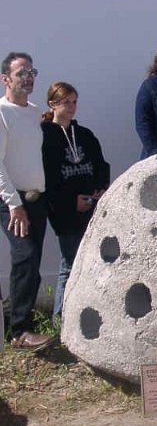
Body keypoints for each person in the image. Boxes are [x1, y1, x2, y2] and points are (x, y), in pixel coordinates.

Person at [42, 82, 110, 319]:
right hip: (65, 210)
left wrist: (101, 189)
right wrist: (71, 202)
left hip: (90, 207)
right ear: (52, 104)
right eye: (65, 102)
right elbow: (48, 178)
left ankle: (84, 313)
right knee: (70, 263)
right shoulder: (45, 136)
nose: (71, 107)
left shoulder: (84, 135)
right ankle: (61, 318)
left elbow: (101, 165)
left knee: (90, 261)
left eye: (74, 102)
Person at [0, 52, 53, 350]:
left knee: (31, 262)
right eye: (22, 72)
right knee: (23, 257)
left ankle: (20, 323)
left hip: (36, 199)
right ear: (6, 79)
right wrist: (13, 204)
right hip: (11, 201)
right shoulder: (2, 112)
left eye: (32, 71)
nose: (29, 77)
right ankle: (19, 331)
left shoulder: (34, 112)